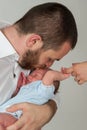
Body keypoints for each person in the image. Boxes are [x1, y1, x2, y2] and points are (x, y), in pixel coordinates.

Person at [0, 2, 78, 130]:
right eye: (49, 59)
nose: (48, 66)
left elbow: (50, 92)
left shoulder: (22, 49)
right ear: (33, 41)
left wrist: (46, 111)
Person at [0, 68, 70, 130]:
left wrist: (63, 76)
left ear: (50, 86)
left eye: (35, 75)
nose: (29, 76)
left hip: (14, 115)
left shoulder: (42, 91)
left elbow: (50, 75)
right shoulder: (29, 90)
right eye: (31, 73)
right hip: (9, 113)